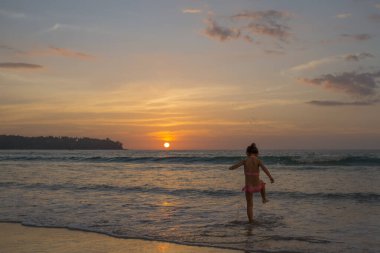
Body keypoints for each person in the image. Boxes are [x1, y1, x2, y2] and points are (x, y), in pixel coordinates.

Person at [229, 143, 274, 223]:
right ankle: (263, 198)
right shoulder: (258, 160)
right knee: (262, 183)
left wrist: (231, 168)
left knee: (249, 205)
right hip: (257, 186)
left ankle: (251, 221)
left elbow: (236, 166)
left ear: (247, 153)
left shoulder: (245, 160)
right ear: (257, 153)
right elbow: (265, 169)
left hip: (249, 187)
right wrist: (270, 177)